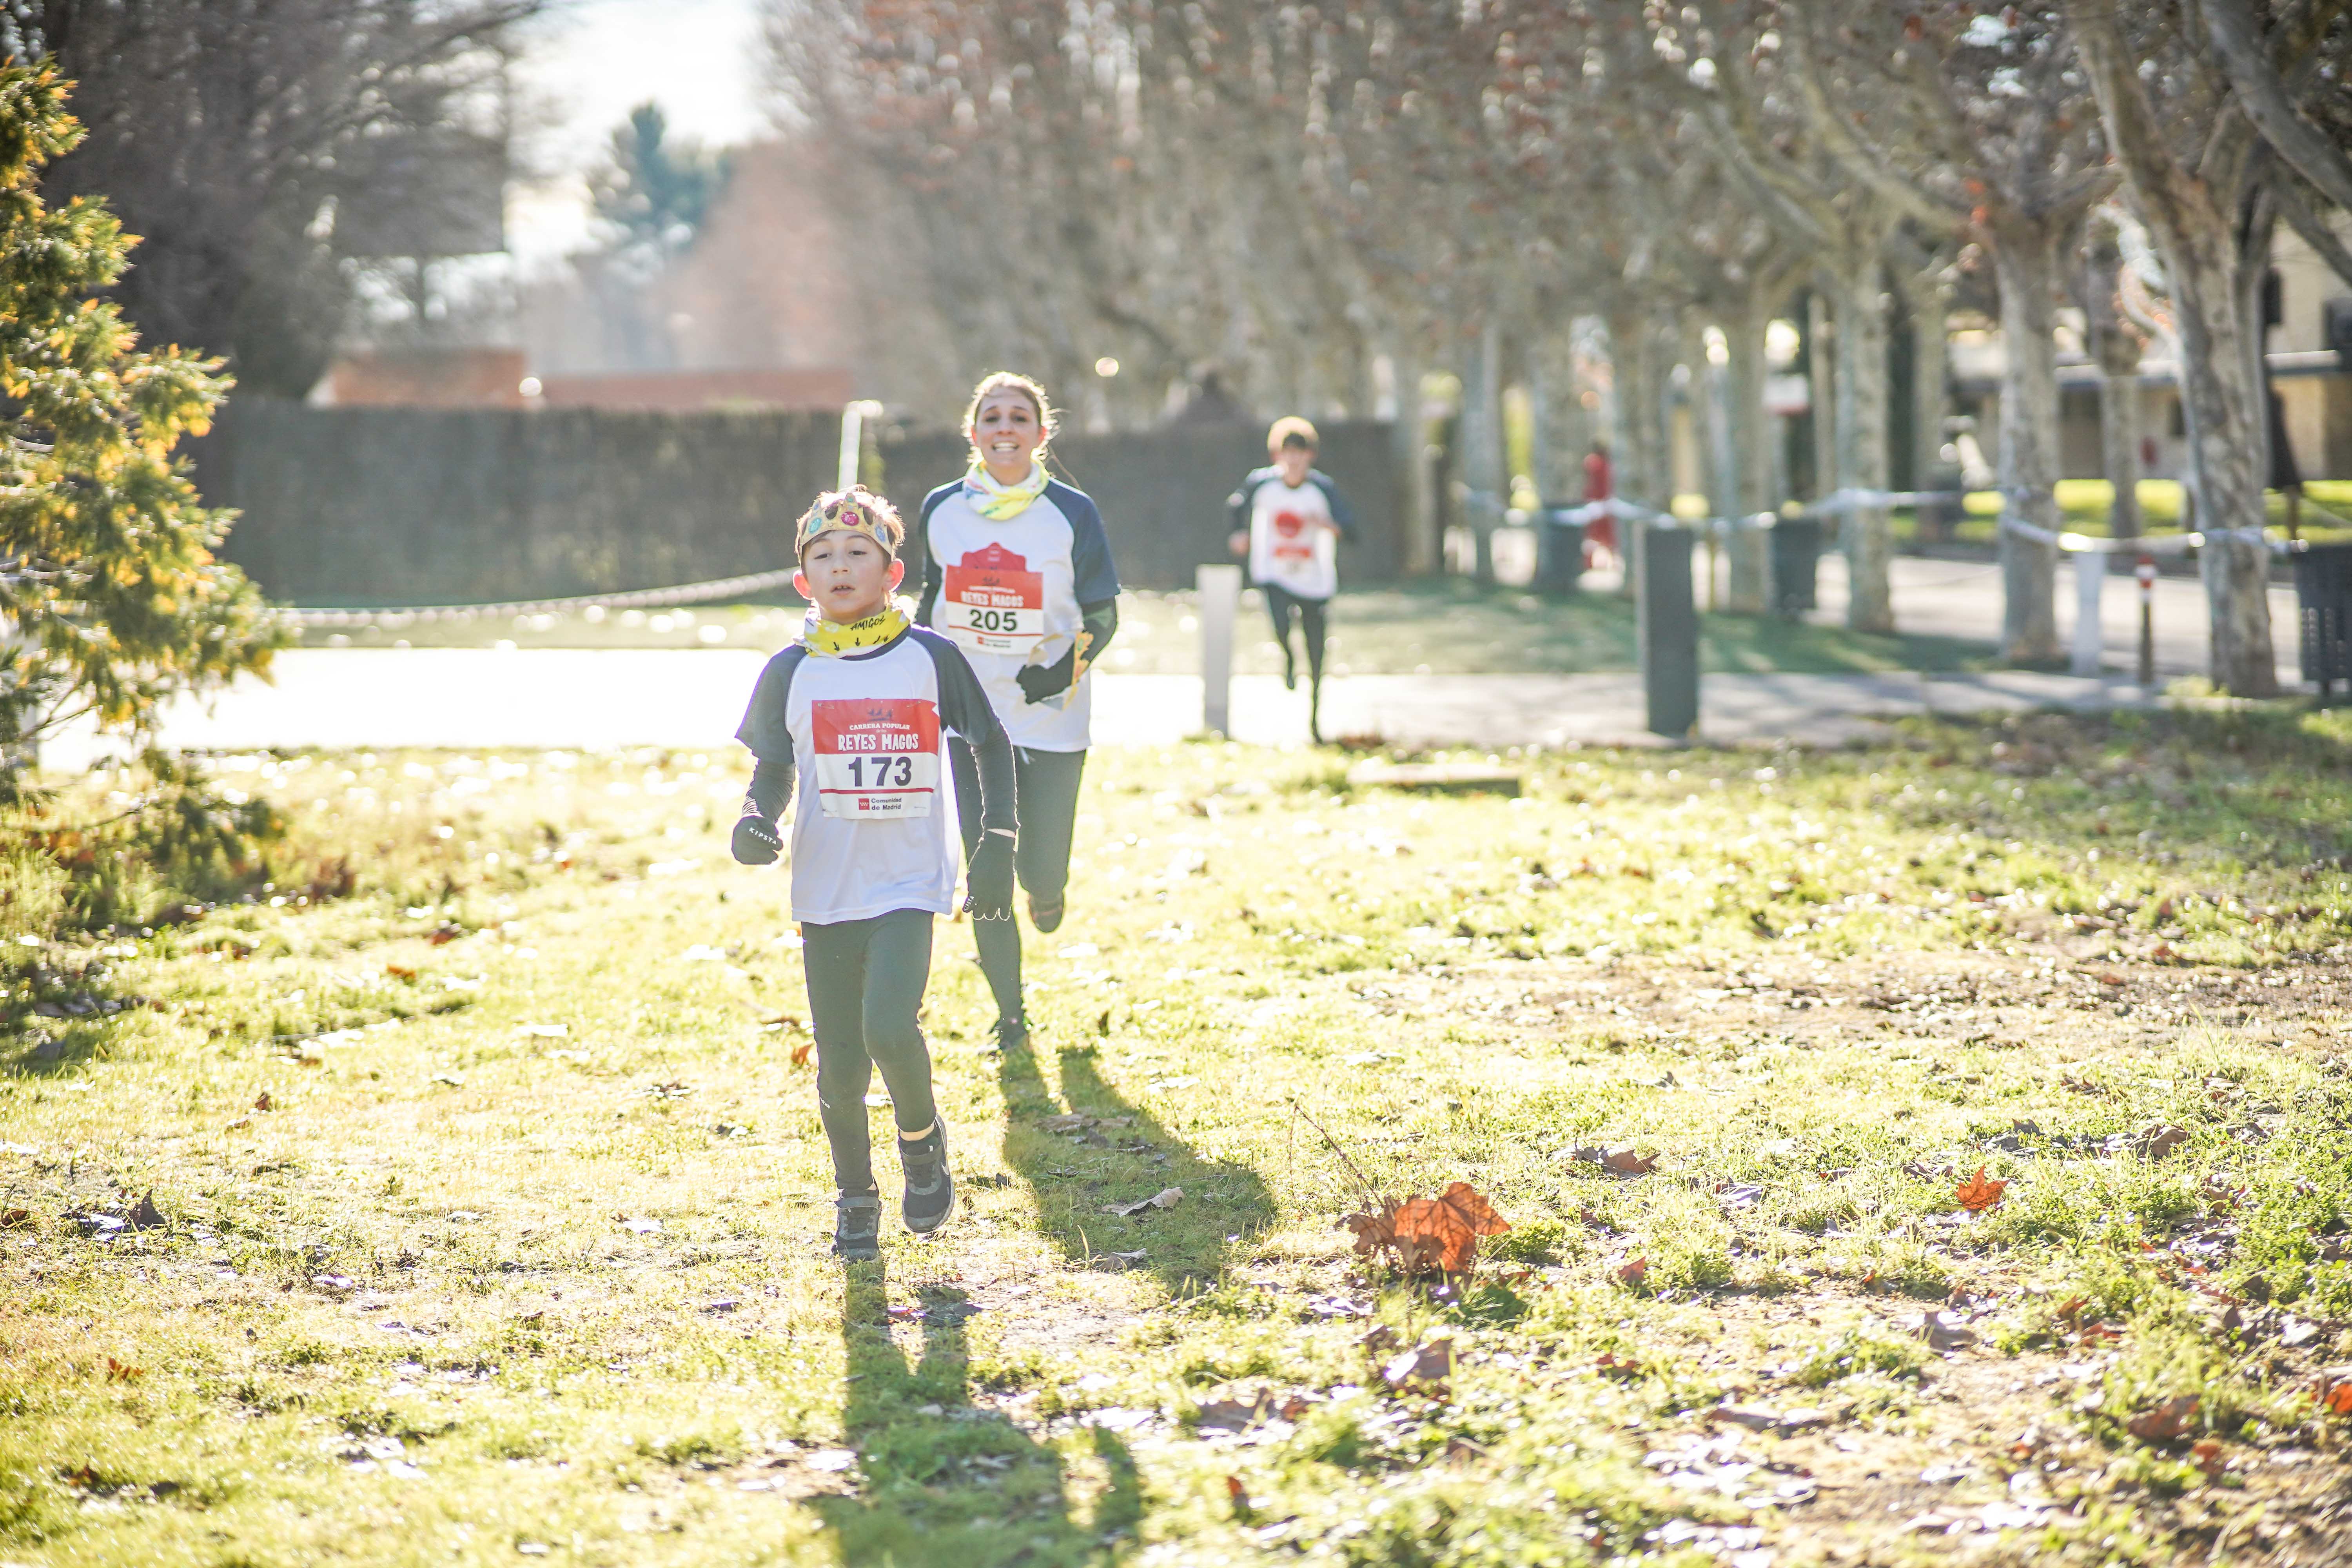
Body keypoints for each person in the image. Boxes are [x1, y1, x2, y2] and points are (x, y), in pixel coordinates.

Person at [731, 486, 1016, 1261]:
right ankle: (856, 1196)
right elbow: (772, 769)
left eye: (859, 553)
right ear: (803, 582)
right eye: (822, 556)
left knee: (889, 1025)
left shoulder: (930, 657)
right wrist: (756, 821)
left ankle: (922, 1145)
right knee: (839, 1065)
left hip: (908, 882)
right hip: (826, 887)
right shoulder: (790, 671)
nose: (840, 565)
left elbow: (990, 742)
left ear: (893, 572)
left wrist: (998, 835)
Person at [917, 372, 1120, 1054]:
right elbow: (929, 605)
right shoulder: (942, 509)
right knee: (987, 867)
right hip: (969, 716)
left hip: (1053, 713)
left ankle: (1050, 887)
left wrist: (1054, 674)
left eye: (1019, 417)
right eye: (992, 417)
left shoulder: (1072, 511)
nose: (1005, 427)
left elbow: (1103, 612)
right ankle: (1011, 1016)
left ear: (1040, 433)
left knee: (1041, 865)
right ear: (973, 433)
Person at [1227, 416, 1357, 744]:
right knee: (1280, 625)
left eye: (1300, 452)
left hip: (1315, 579)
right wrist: (1239, 535)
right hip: (1274, 572)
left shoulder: (1322, 489)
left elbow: (1352, 529)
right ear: (1277, 455)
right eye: (1288, 452)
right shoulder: (1261, 484)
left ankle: (1315, 721)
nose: (1294, 459)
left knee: (1317, 650)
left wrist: (1328, 526)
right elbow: (1235, 509)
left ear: (1310, 455)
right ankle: (1287, 656)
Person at [1580, 440, 1615, 571]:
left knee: (1595, 535)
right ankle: (1593, 563)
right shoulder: (1605, 465)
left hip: (1596, 502)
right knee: (1603, 537)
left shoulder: (1593, 463)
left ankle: (1590, 563)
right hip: (1602, 502)